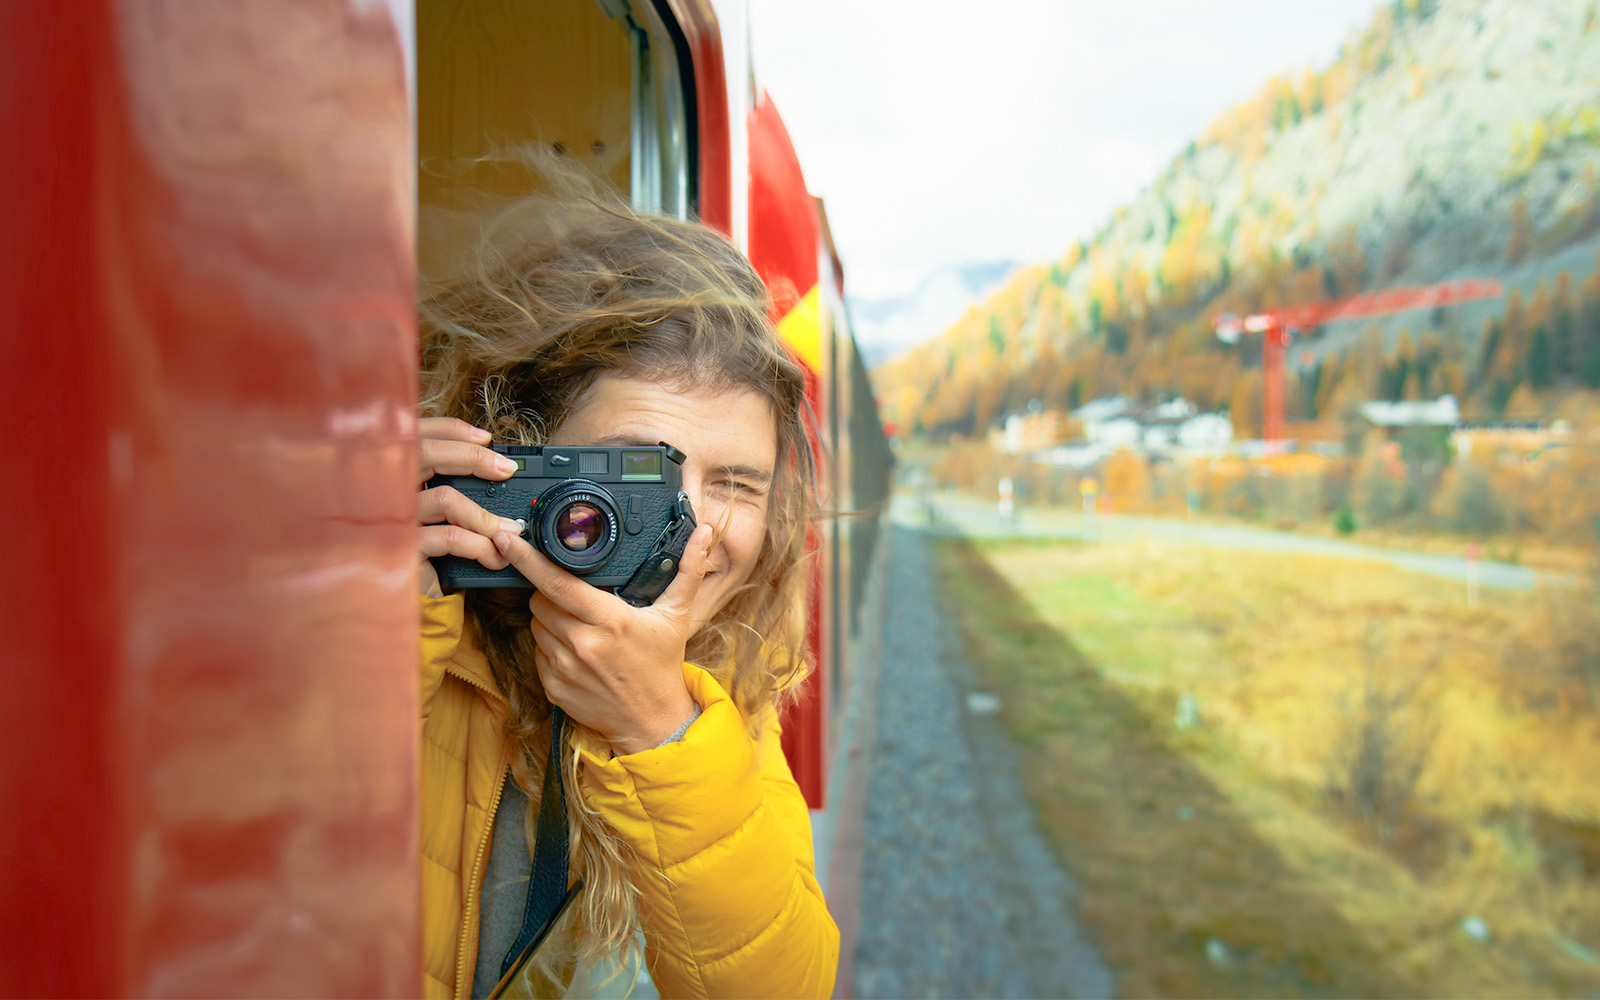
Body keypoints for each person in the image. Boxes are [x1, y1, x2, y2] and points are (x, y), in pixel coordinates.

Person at [414, 170, 839, 999]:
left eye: (736, 485)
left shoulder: (723, 694)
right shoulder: (415, 625)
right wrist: (358, 600)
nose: (691, 533)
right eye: (640, 478)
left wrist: (660, 732)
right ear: (518, 463)